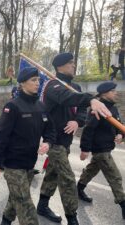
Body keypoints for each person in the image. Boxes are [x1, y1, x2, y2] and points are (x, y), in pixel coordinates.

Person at [36, 52, 112, 225]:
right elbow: (67, 98)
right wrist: (91, 99)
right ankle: (72, 218)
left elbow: (82, 111)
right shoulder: (53, 86)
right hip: (53, 140)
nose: (74, 65)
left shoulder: (76, 87)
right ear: (60, 66)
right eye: (71, 63)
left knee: (53, 175)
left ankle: (42, 205)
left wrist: (77, 122)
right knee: (68, 178)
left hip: (66, 140)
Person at [0, 67, 56, 225]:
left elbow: (50, 129)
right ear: (23, 83)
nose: (37, 83)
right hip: (13, 165)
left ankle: (5, 221)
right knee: (26, 207)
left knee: (16, 198)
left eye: (38, 80)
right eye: (33, 80)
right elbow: (0, 138)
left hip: (29, 164)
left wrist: (47, 142)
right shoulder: (13, 106)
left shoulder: (41, 106)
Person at [77, 81, 125, 219]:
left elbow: (118, 125)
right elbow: (88, 129)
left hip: (108, 147)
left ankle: (79, 189)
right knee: (114, 176)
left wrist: (120, 134)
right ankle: (123, 204)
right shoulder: (97, 109)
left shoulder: (113, 108)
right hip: (100, 149)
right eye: (113, 91)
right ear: (104, 93)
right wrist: (85, 149)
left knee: (91, 170)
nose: (116, 93)